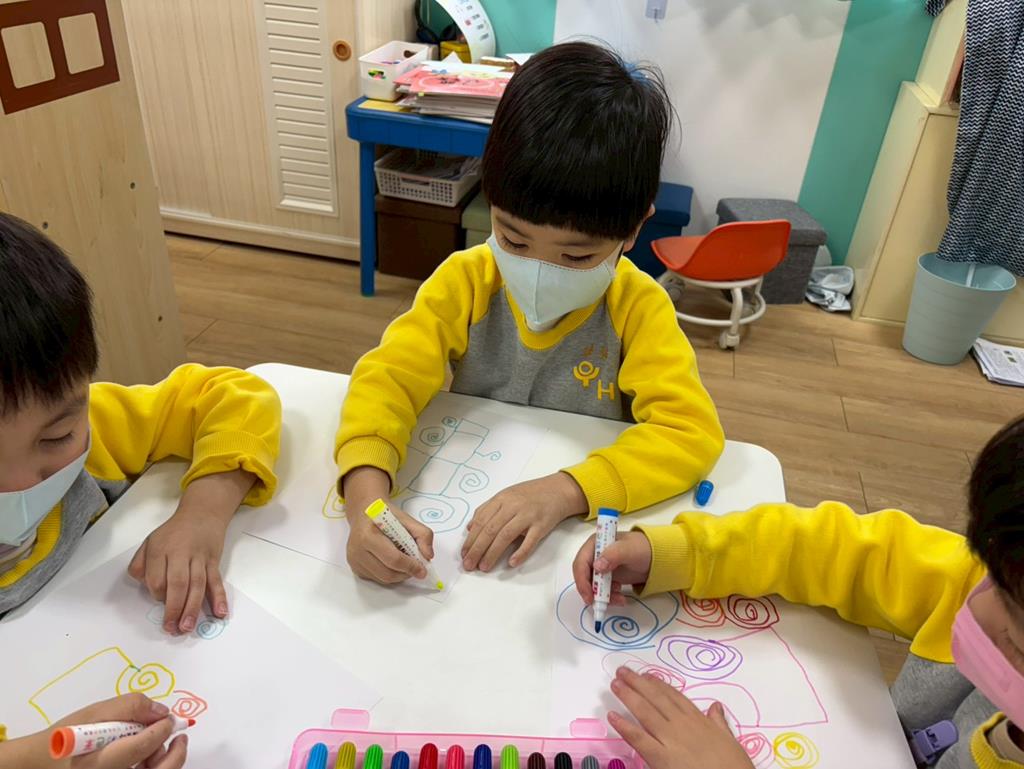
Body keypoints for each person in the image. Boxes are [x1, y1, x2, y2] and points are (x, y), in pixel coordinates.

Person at [337, 42, 723, 586]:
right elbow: (386, 382)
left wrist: (565, 491)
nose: (540, 271)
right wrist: (366, 502)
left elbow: (689, 433)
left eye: (577, 257)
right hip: (472, 502)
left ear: (635, 228)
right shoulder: (466, 280)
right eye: (513, 240)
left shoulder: (638, 307)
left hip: (571, 542)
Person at [574, 415, 1024, 768]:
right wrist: (676, 553)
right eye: (988, 574)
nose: (976, 602)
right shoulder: (993, 577)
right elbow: (827, 549)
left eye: (1014, 629)